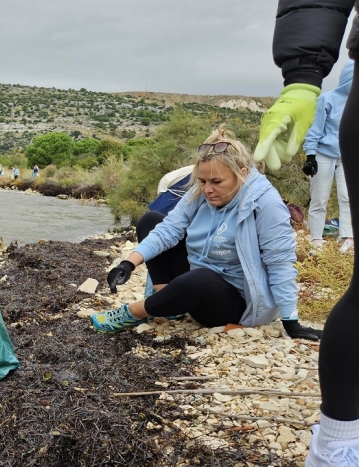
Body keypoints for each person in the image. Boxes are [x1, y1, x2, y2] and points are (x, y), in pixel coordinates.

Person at [91, 125, 322, 341]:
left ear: (241, 173)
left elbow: (280, 262)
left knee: (199, 279)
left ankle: (134, 311)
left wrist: (292, 322)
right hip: (195, 278)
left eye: (216, 182)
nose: (207, 189)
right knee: (151, 220)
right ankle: (168, 307)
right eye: (202, 181)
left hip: (236, 302)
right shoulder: (200, 192)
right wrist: (127, 264)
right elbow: (168, 230)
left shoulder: (265, 203)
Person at [254, 3, 359, 465]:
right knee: (321, 204)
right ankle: (338, 443)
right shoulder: (339, 97)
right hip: (331, 149)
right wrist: (303, 75)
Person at [303, 60, 354, 253]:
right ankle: (315, 239)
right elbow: (314, 130)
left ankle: (348, 237)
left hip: (347, 157)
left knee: (348, 197)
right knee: (319, 198)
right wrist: (310, 155)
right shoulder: (327, 99)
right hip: (324, 154)